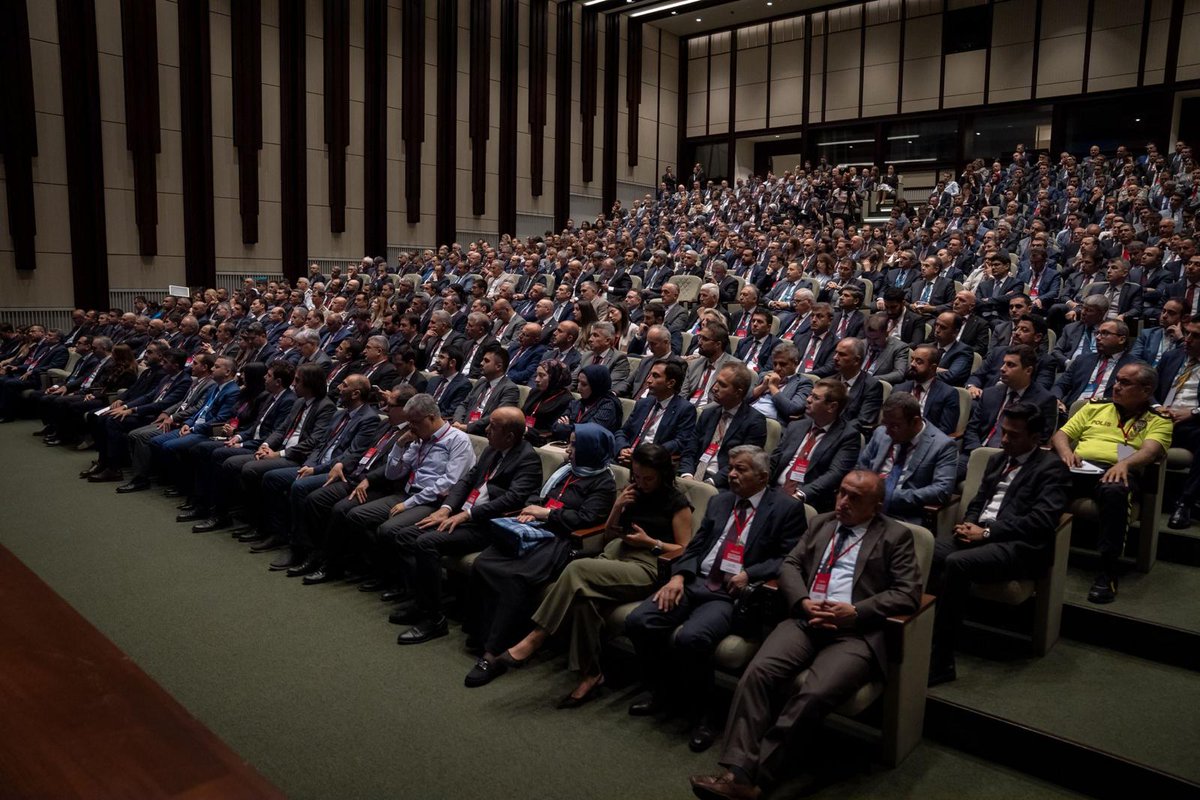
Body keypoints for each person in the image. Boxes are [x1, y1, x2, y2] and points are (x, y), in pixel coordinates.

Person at [688, 471, 921, 800]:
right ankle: (738, 771)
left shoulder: (895, 536)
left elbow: (907, 593)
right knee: (756, 675)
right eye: (841, 493)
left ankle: (756, 778)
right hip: (805, 620)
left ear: (877, 505)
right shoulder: (822, 523)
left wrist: (856, 612)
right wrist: (802, 601)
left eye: (855, 498)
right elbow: (791, 565)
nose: (843, 502)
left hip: (854, 633)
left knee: (813, 694)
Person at [624, 446, 805, 753]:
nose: (732, 474)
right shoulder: (720, 501)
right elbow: (695, 546)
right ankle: (663, 692)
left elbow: (791, 557)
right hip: (694, 581)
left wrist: (751, 572)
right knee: (639, 621)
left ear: (763, 477)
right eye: (731, 467)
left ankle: (704, 715)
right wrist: (679, 576)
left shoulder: (785, 508)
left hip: (728, 594)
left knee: (692, 638)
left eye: (741, 470)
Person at [485, 443, 694, 706]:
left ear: (663, 475)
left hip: (648, 565)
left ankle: (535, 638)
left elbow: (685, 550)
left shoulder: (678, 503)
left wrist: (650, 542)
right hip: (616, 555)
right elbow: (609, 534)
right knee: (584, 602)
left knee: (577, 568)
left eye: (648, 478)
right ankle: (591, 674)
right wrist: (618, 506)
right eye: (637, 476)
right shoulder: (633, 493)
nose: (641, 483)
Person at [463, 423, 618, 687]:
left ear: (591, 449)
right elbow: (539, 493)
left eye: (574, 445)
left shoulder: (603, 482)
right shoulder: (566, 469)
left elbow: (586, 518)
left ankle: (493, 653)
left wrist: (546, 513)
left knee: (515, 578)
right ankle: (482, 633)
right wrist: (531, 507)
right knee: (485, 562)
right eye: (569, 443)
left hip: (561, 540)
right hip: (533, 529)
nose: (568, 450)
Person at [928, 403, 1071, 685]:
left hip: (1018, 546)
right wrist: (968, 523)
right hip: (980, 535)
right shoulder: (998, 459)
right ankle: (918, 634)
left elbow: (1041, 521)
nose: (1004, 440)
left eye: (1013, 435)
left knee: (957, 564)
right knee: (923, 548)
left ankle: (942, 658)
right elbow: (978, 501)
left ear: (1035, 438)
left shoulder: (1052, 469)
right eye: (1003, 433)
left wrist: (987, 533)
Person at [1050, 363, 1172, 604]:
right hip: (1080, 466)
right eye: (1116, 380)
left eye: (1125, 383)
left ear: (1146, 390)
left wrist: (1125, 465)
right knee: (1044, 477)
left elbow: (1150, 451)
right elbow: (1061, 435)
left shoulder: (1159, 420)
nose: (1116, 386)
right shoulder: (1094, 408)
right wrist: (1066, 453)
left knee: (1115, 490)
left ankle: (1108, 571)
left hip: (1118, 472)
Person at [857, 392, 957, 523]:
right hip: (863, 507)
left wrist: (888, 496)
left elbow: (941, 491)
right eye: (885, 423)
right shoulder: (881, 432)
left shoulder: (943, 445)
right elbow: (860, 468)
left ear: (915, 422)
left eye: (894, 426)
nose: (887, 431)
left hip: (903, 515)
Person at [768, 378, 861, 512]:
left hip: (805, 501)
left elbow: (834, 474)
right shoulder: (796, 425)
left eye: (815, 397)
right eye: (810, 394)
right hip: (774, 491)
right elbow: (775, 459)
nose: (808, 399)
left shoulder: (848, 436)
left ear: (832, 406)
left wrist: (801, 495)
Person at [681, 363, 768, 488]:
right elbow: (690, 450)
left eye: (722, 385)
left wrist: (708, 484)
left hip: (723, 483)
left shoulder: (754, 421)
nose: (714, 388)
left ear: (738, 392)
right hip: (692, 475)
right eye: (716, 382)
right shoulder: (708, 413)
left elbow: (744, 464)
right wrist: (687, 475)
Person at [1158, 320, 1200, 528]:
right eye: (1187, 333)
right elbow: (1150, 390)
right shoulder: (1171, 357)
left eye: (1195, 336)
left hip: (1193, 425)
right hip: (1159, 419)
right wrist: (1157, 408)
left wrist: (1193, 413)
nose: (1187, 339)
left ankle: (1185, 503)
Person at [613, 360, 695, 463]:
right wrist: (623, 448)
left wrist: (644, 454)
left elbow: (680, 442)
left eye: (655, 376)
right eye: (650, 375)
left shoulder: (685, 409)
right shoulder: (643, 403)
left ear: (671, 383)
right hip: (626, 456)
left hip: (654, 462)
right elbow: (623, 432)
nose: (648, 380)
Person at [892, 344, 961, 436]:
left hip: (927, 441)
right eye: (912, 359)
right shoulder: (898, 389)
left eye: (919, 361)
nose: (912, 364)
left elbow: (946, 429)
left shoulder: (948, 394)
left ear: (932, 368)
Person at [451, 345, 520, 436]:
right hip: (461, 428)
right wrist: (457, 422)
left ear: (498, 366)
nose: (481, 363)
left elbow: (498, 417)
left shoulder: (510, 389)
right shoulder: (481, 382)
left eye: (486, 361)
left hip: (484, 434)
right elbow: (464, 404)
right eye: (482, 360)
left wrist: (467, 427)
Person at [552, 363, 622, 440]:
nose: (578, 387)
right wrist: (573, 428)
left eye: (584, 384)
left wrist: (567, 427)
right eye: (578, 382)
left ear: (595, 386)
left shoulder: (608, 406)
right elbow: (555, 427)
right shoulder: (576, 403)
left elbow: (589, 433)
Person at [521, 360, 573, 446]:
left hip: (541, 441)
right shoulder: (535, 391)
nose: (536, 380)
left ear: (555, 377)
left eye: (542, 376)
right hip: (523, 434)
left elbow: (552, 431)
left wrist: (526, 430)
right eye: (537, 375)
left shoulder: (566, 400)